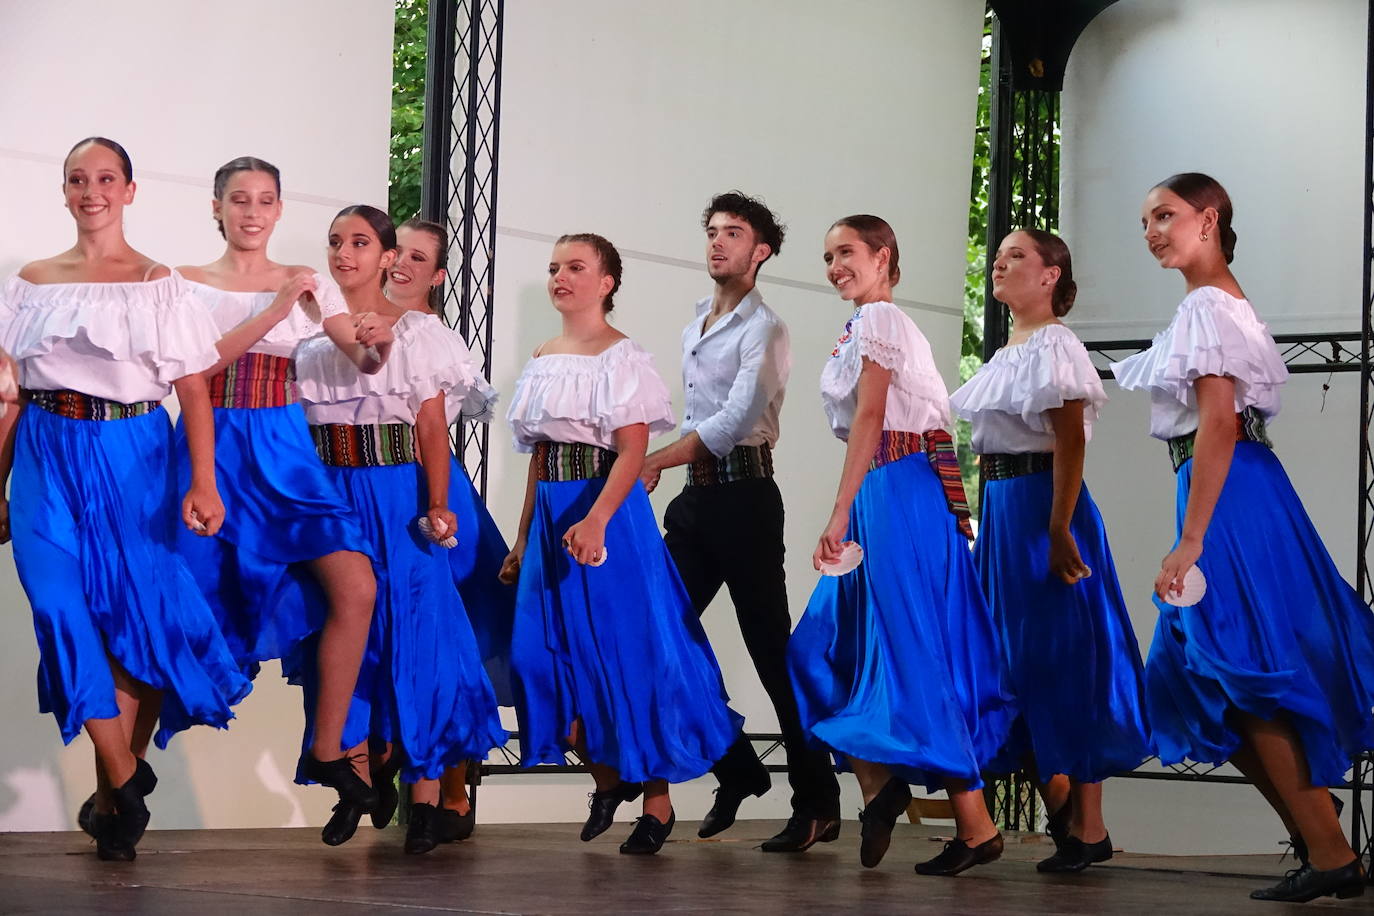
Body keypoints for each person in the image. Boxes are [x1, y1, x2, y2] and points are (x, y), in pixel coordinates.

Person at [1112, 173, 1372, 904]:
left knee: (1239, 669)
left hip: (1226, 496)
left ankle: (1328, 849)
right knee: (1212, 678)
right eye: (1144, 222)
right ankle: (1321, 838)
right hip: (1233, 489)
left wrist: (1192, 537)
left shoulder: (1207, 306)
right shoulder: (1219, 304)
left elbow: (1220, 421)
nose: (1153, 231)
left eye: (1164, 215)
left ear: (1209, 217)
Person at [0, 137, 250, 860]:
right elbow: (11, 395)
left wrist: (203, 480)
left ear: (130, 190)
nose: (91, 191)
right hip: (46, 453)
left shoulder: (157, 282)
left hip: (134, 455)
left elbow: (195, 387)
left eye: (106, 178)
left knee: (133, 628)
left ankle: (114, 798)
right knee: (57, 606)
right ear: (66, 191)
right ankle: (125, 772)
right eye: (78, 179)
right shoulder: (32, 281)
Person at [501, 232, 743, 855]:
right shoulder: (543, 353)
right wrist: (525, 537)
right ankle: (610, 779)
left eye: (576, 267)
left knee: (626, 659)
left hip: (607, 512)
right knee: (540, 659)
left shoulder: (622, 355)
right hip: (556, 512)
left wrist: (599, 520)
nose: (561, 276)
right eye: (555, 267)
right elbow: (539, 458)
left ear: (606, 282)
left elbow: (633, 446)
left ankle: (656, 806)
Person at [787, 215, 1015, 875]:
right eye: (828, 256)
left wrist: (838, 510)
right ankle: (881, 788)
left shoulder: (881, 321)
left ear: (883, 256)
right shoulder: (865, 326)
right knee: (826, 649)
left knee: (912, 652)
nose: (835, 267)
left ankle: (973, 826)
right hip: (886, 492)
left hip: (897, 489)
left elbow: (871, 414)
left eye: (847, 253)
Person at [167, 157, 381, 832]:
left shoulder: (303, 281)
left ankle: (327, 748)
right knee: (173, 604)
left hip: (285, 449)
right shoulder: (184, 285)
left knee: (357, 586)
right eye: (239, 200)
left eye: (265, 200)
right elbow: (197, 368)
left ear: (280, 210)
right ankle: (123, 777)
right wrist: (281, 308)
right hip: (213, 443)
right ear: (217, 208)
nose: (252, 212)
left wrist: (368, 334)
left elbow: (361, 358)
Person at [294, 205, 505, 853]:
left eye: (360, 242)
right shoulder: (307, 331)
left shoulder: (413, 335)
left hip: (396, 490)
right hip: (330, 494)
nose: (344, 253)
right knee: (339, 638)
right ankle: (353, 784)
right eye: (335, 242)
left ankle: (424, 793)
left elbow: (432, 425)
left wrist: (439, 503)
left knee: (418, 634)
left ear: (387, 257)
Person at [640, 191, 841, 850]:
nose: (718, 243)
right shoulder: (695, 321)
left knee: (771, 653)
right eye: (713, 232)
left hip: (748, 500)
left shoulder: (768, 329)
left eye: (734, 234)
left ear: (762, 252)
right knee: (657, 631)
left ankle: (817, 799)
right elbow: (696, 415)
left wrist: (656, 459)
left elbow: (729, 423)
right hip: (697, 502)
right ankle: (736, 764)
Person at [950, 229, 1151, 873]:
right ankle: (1068, 812)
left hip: (1044, 509)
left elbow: (1070, 440)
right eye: (999, 256)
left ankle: (1086, 825)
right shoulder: (1006, 350)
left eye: (1017, 257)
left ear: (1050, 274)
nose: (1000, 265)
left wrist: (1060, 526)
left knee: (1065, 659)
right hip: (1005, 514)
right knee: (1006, 668)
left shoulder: (1056, 344)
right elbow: (989, 453)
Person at [376, 216, 516, 845]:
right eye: (396, 251)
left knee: (452, 636)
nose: (401, 264)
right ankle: (381, 757)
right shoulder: (345, 319)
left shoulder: (431, 336)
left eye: (418, 258)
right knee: (376, 625)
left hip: (427, 485)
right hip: (367, 482)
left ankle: (450, 790)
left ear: (436, 276)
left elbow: (438, 424)